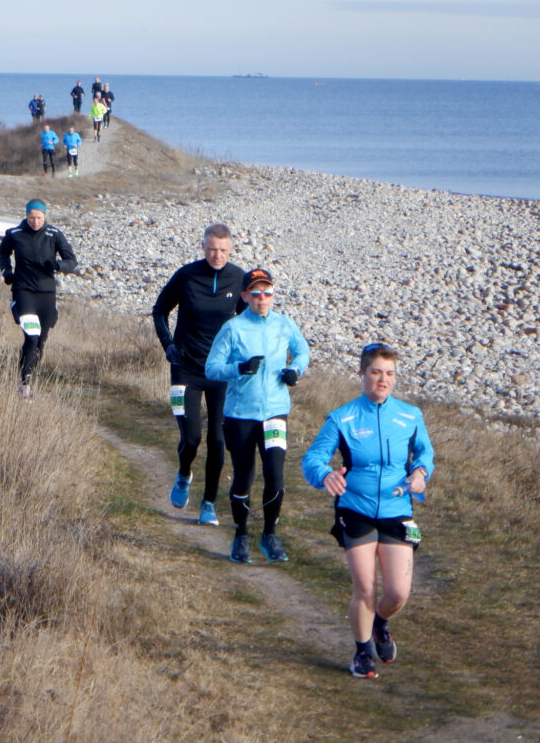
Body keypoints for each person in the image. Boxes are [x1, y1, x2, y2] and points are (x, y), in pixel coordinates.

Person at [301, 343, 434, 679]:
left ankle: (380, 623)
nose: (382, 380)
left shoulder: (410, 416)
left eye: (389, 373)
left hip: (397, 508)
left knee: (398, 592)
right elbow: (312, 459)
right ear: (362, 374)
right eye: (376, 372)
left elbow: (424, 455)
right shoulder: (342, 417)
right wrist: (325, 475)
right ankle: (362, 654)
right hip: (355, 508)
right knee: (365, 588)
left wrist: (420, 473)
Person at [205, 267, 310, 564]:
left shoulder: (284, 324)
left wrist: (294, 371)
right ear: (244, 296)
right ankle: (240, 535)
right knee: (244, 476)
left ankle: (269, 534)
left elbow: (303, 352)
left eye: (267, 292)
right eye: (255, 292)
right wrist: (238, 368)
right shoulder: (233, 328)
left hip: (275, 412)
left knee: (275, 476)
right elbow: (212, 368)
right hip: (240, 415)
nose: (262, 298)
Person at [152, 224, 245, 526]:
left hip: (221, 373)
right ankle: (183, 473)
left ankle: (208, 504)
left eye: (223, 250)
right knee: (191, 438)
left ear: (230, 250)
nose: (217, 255)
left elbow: (249, 323)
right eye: (212, 249)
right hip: (186, 369)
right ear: (203, 247)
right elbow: (159, 310)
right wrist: (168, 345)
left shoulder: (238, 278)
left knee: (218, 440)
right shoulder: (187, 275)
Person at [0, 199, 77, 399]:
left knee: (40, 341)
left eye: (39, 218)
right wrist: (7, 271)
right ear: (26, 216)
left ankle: (29, 372)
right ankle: (25, 382)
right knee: (31, 336)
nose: (35, 222)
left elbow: (72, 261)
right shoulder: (14, 234)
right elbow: (4, 253)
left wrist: (58, 265)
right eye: (31, 217)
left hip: (46, 293)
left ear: (45, 216)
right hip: (23, 290)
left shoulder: (54, 234)